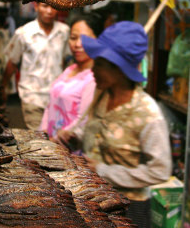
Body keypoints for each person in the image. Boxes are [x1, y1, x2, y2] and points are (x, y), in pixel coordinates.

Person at [58, 21, 172, 228]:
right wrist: (75, 139)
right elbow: (95, 135)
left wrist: (104, 171)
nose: (93, 70)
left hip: (129, 208)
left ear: (120, 70)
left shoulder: (147, 113)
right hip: (94, 200)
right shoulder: (101, 95)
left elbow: (160, 170)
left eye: (100, 64)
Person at [1, 2, 70, 130]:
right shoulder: (24, 33)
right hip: (32, 96)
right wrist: (3, 87)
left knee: (55, 139)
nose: (49, 11)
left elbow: (65, 61)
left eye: (53, 6)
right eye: (45, 6)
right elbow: (12, 62)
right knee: (41, 140)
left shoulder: (64, 32)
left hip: (57, 97)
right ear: (36, 7)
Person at [40, 13, 104, 142]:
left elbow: (82, 121)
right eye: (73, 38)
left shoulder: (94, 78)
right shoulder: (70, 69)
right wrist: (43, 133)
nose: (78, 44)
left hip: (70, 153)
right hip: (50, 147)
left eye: (85, 39)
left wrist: (54, 141)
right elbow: (51, 104)